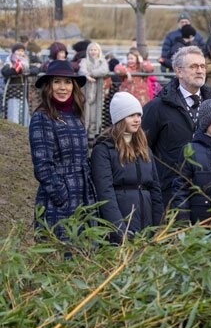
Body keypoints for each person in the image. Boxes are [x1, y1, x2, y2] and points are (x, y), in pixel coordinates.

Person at [142, 46, 211, 213]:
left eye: (202, 66)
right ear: (178, 71)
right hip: (170, 196)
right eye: (193, 67)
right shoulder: (157, 108)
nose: (200, 71)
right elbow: (142, 149)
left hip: (208, 196)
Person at [29, 60, 95, 240]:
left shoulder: (76, 116)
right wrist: (61, 196)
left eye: (67, 82)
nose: (62, 87)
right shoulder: (42, 117)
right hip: (58, 202)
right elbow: (43, 166)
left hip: (82, 197)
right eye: (57, 81)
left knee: (83, 258)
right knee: (59, 255)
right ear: (48, 86)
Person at [91, 92, 163, 243]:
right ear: (119, 118)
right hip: (122, 224)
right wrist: (120, 230)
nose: (137, 119)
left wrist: (158, 227)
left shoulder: (144, 149)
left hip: (147, 225)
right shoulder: (104, 149)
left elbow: (155, 189)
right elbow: (105, 193)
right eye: (131, 115)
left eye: (138, 115)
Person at [79, 42, 110, 138]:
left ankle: (92, 136)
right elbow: (81, 71)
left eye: (95, 49)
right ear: (88, 51)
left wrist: (91, 74)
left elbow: (104, 70)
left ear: (98, 51)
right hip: (86, 91)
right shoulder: (84, 61)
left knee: (95, 115)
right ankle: (83, 134)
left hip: (98, 92)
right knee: (85, 113)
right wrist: (86, 76)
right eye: (91, 50)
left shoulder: (102, 61)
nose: (93, 52)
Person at [2, 43, 30, 124]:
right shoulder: (9, 61)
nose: (20, 53)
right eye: (18, 50)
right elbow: (4, 71)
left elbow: (32, 70)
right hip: (12, 93)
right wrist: (15, 70)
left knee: (25, 117)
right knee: (13, 117)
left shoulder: (25, 62)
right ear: (14, 52)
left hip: (23, 93)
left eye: (22, 51)